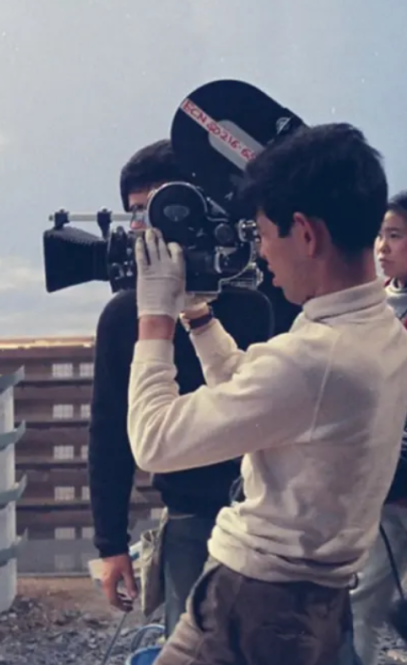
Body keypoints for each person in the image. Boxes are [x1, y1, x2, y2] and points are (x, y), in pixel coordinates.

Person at [128, 123, 407, 664]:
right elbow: (264, 398)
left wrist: (154, 317)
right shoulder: (379, 333)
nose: (261, 253)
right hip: (310, 604)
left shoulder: (316, 359)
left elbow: (154, 442)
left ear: (305, 233)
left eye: (263, 235)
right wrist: (198, 317)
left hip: (252, 605)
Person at [88, 139, 273, 635]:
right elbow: (109, 432)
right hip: (189, 516)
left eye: (162, 210)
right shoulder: (123, 315)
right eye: (138, 214)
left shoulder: (260, 304)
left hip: (262, 516)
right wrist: (110, 544)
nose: (148, 229)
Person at [350, 190, 407, 665]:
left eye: (396, 235)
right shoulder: (377, 304)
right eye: (381, 235)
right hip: (386, 482)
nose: (383, 247)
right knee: (363, 601)